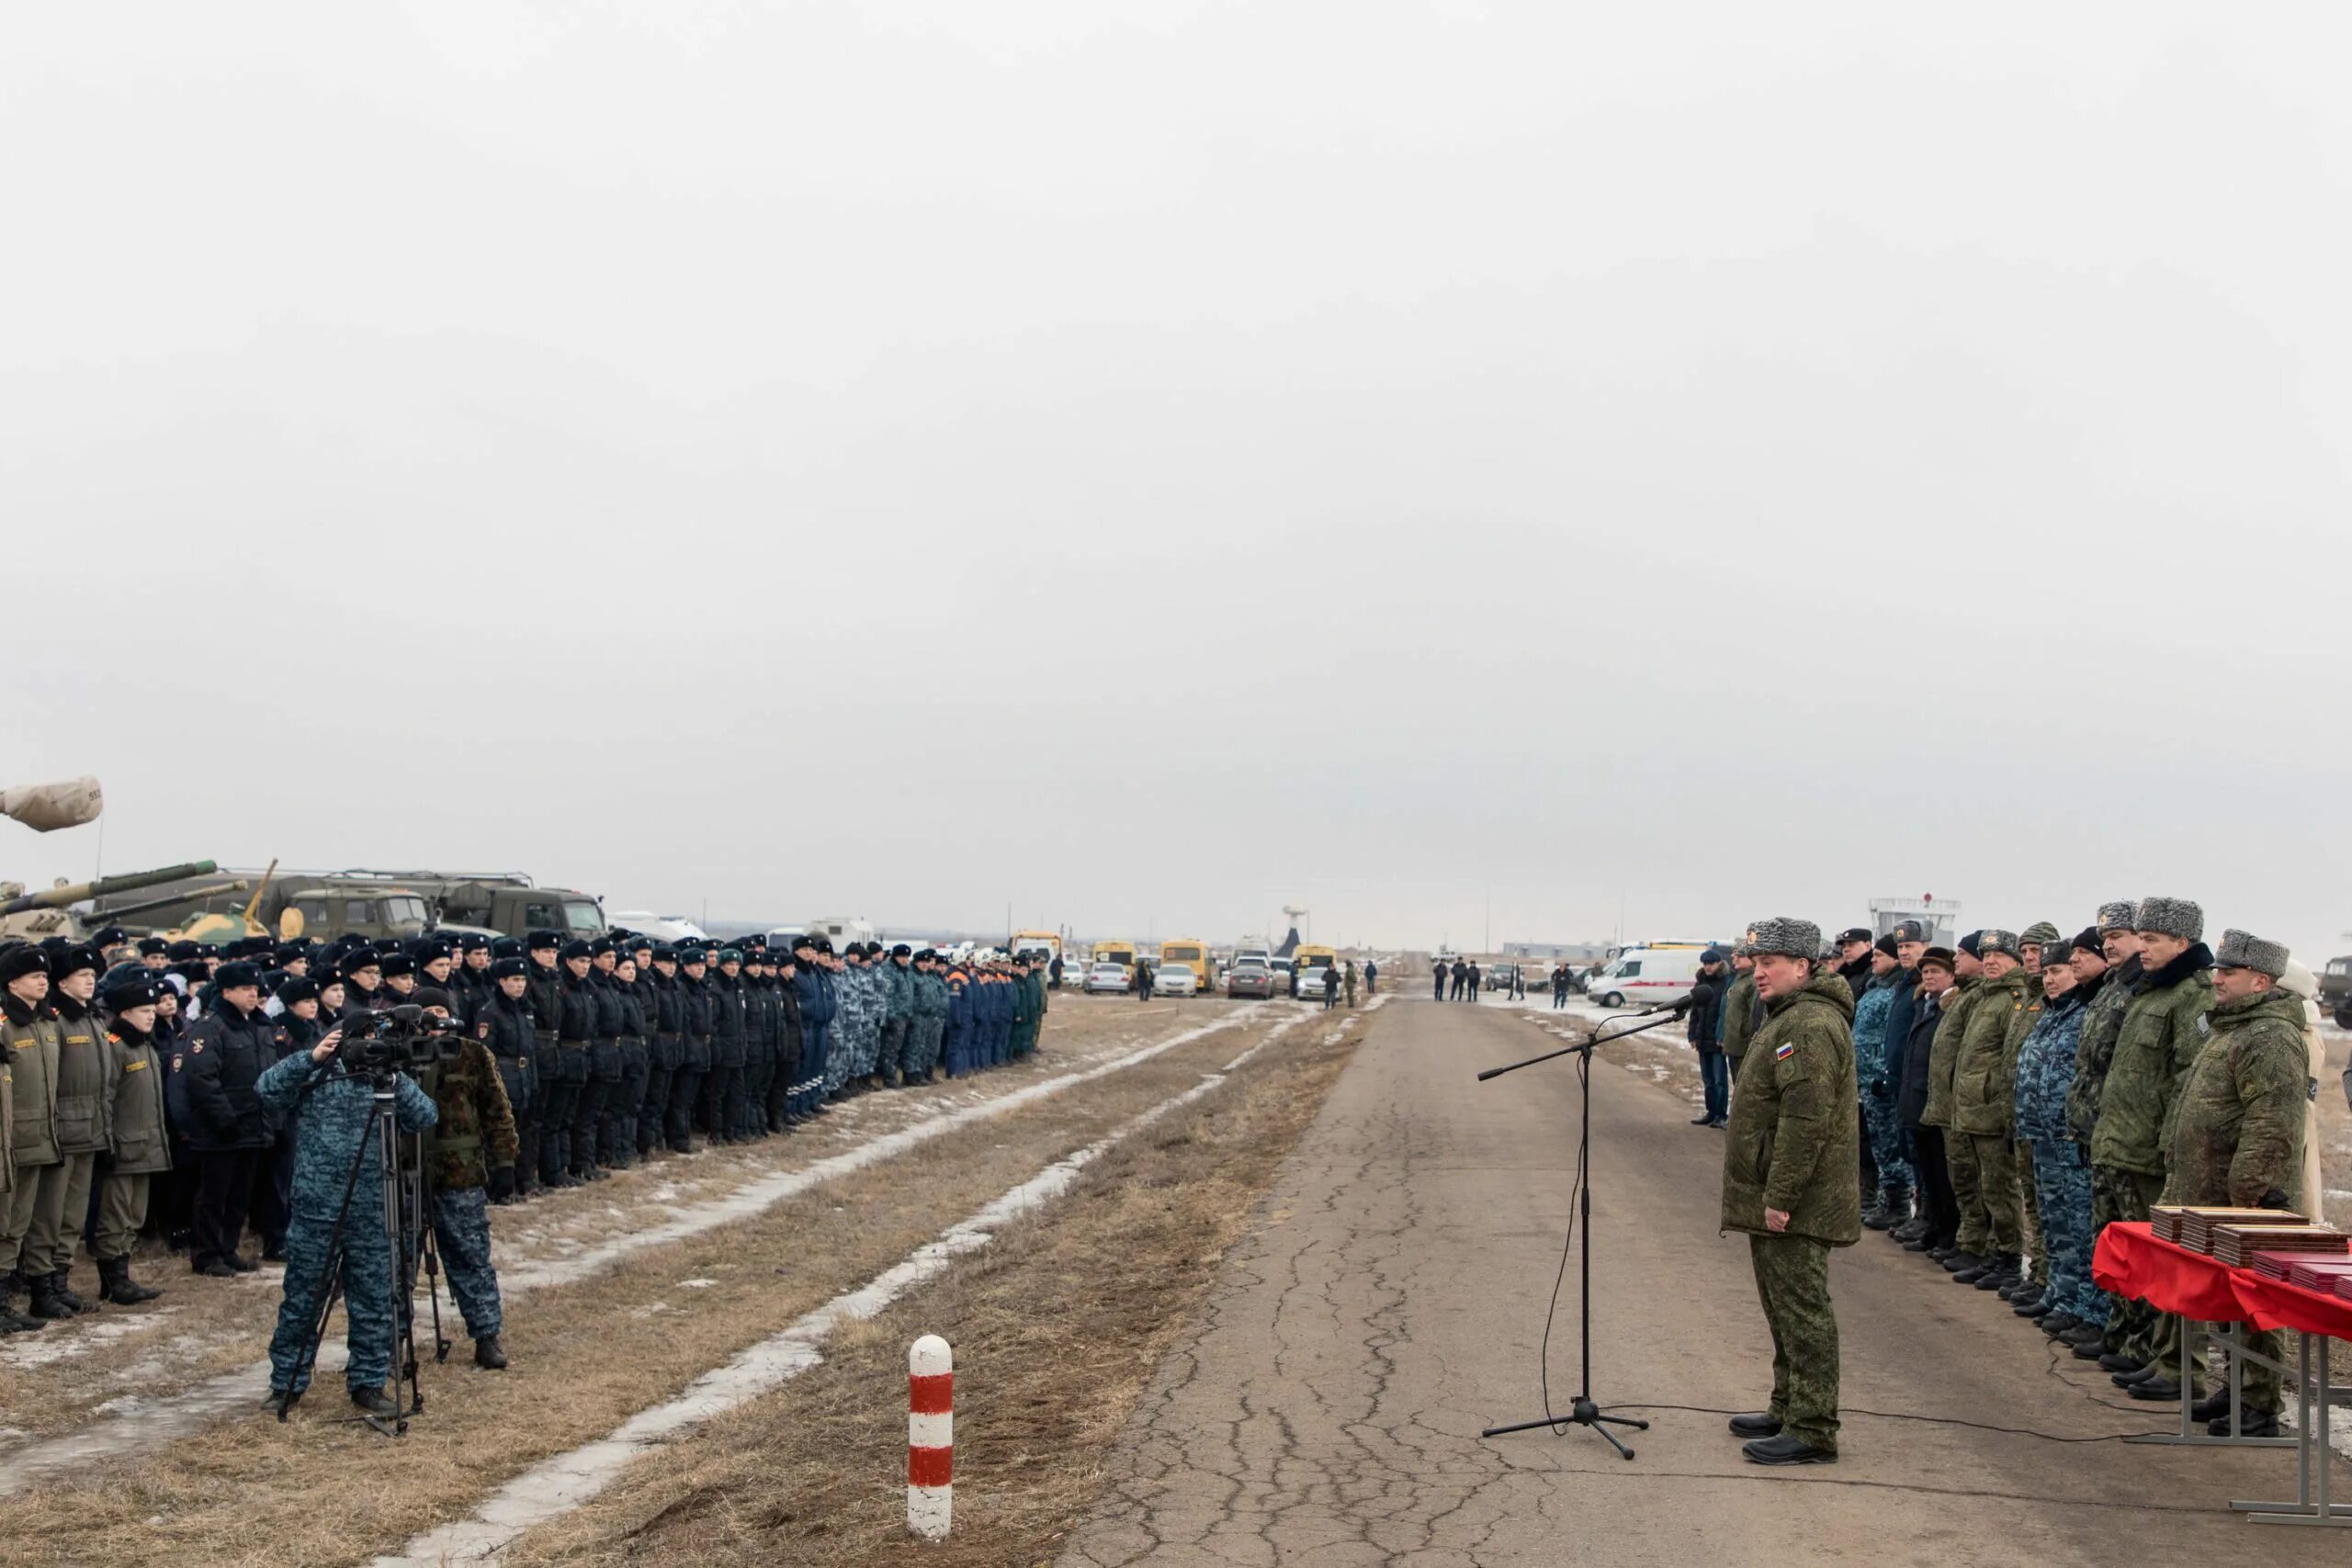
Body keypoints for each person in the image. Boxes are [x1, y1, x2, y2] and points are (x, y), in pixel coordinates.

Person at [1719, 916, 1859, 1466]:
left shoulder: (1808, 1024)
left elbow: (1806, 1121)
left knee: (1803, 1310)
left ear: (1803, 966)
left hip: (1797, 1200)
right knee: (1781, 1306)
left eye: (1769, 963)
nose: (1758, 973)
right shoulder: (1788, 1016)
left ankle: (1813, 1427)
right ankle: (1789, 1405)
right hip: (1777, 1192)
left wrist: (1780, 1198)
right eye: (1755, 963)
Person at [2158, 929, 2305, 1436]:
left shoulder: (2269, 1036)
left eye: (2230, 972)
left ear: (2261, 980)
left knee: (2256, 1303)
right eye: (2218, 969)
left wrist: (2252, 1191)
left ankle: (2260, 1404)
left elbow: (2273, 1120)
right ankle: (2237, 1389)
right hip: (2213, 1192)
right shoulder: (2232, 1029)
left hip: (2246, 1197)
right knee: (2231, 1303)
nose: (2216, 978)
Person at [256, 1016, 437, 1416]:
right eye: (364, 1042)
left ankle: (368, 1384)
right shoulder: (321, 1074)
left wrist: (394, 1075)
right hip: (318, 1207)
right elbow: (266, 1090)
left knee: (375, 1301)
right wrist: (312, 1057)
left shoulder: (389, 1079)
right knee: (304, 1300)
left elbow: (425, 1117)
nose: (370, 1050)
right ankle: (286, 1384)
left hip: (374, 1208)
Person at [2095, 897, 2213, 1404]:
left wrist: (2170, 1146)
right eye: (2139, 938)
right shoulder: (2149, 990)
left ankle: (2178, 1368)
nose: (2141, 948)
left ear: (2181, 944)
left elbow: (2188, 1078)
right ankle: (2151, 1352)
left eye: (2152, 940)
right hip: (2125, 1144)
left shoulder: (2192, 995)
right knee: (2146, 1265)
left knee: (2172, 1269)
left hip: (2154, 1152)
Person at [416, 987, 516, 1369]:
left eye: (440, 1011)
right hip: (405, 1174)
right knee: (397, 1262)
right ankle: (389, 1342)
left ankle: (486, 1334)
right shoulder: (397, 1055)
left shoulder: (473, 1054)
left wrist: (505, 1161)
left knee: (471, 1257)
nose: (433, 1021)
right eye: (426, 1012)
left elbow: (497, 1111)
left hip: (460, 1175)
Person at [181, 961, 288, 1279]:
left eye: (256, 989)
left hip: (254, 1126)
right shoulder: (210, 1027)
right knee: (214, 1195)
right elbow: (201, 1078)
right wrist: (225, 1119)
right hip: (222, 1130)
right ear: (226, 992)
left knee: (240, 1194)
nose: (253, 995)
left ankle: (227, 1249)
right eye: (245, 989)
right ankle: (206, 1253)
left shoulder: (259, 1026)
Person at [2009, 940, 2093, 1337]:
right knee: (2052, 1219)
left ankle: (2078, 1302)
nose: (2050, 979)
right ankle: (2059, 1292)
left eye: (2057, 971)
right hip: (2042, 1132)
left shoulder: (2081, 1013)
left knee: (2075, 1222)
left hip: (2068, 1134)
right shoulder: (2052, 1014)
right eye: (2045, 973)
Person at [1946, 931, 2030, 1292]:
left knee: (1999, 1188)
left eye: (2000, 955)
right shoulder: (1983, 997)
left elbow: (2011, 1058)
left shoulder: (2014, 999)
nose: (1992, 960)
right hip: (1971, 1109)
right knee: (1982, 1185)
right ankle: (1992, 1253)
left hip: (1992, 1111)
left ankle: (2008, 1256)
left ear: (2016, 961)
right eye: (1987, 954)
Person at [93, 966, 169, 1305]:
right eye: (144, 1011)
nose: (151, 1016)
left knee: (134, 1215)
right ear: (125, 1013)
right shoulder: (116, 1046)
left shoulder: (145, 1046)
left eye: (154, 1011)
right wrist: (107, 1142)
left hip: (146, 1146)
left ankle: (121, 1277)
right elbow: (105, 1100)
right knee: (116, 1215)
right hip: (123, 1147)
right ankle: (112, 1281)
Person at [41, 946, 112, 1313]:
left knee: (72, 1215)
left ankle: (61, 1279)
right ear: (63, 981)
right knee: (51, 1214)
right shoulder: (56, 1019)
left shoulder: (94, 1019)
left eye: (92, 974)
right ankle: (44, 1285)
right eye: (81, 974)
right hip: (63, 1131)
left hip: (91, 1128)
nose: (90, 979)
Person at [0, 946, 62, 1329]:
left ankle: (11, 1300)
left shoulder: (46, 1022)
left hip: (41, 1138)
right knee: (4, 1222)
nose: (43, 980)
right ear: (11, 982)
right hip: (10, 1141)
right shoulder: (5, 1023)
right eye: (34, 975)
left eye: (45, 976)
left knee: (23, 1223)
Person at [1893, 947, 1960, 1254]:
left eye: (1937, 971)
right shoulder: (1924, 1005)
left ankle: (1946, 1233)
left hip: (1937, 1105)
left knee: (1942, 1175)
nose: (1930, 977)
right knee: (1927, 1173)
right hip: (1916, 1099)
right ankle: (1932, 1227)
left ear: (1950, 975)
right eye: (1927, 972)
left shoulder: (1950, 1008)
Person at [1687, 948, 1731, 1127]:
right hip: (1702, 1037)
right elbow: (1694, 1012)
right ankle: (1711, 1112)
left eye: (1711, 963)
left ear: (1718, 963)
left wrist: (1722, 1034)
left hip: (1717, 1039)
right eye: (1705, 964)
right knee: (1708, 1079)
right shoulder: (1700, 984)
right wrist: (1692, 1034)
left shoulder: (1725, 983)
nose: (1708, 967)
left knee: (1720, 1079)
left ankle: (1721, 1114)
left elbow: (1725, 1012)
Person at [1720, 944, 1761, 1081]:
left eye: (1740, 955)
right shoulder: (1739, 979)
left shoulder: (1753, 981)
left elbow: (1755, 1016)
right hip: (1734, 1046)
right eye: (1733, 954)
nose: (1733, 957)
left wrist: (1745, 1038)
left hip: (1744, 1048)